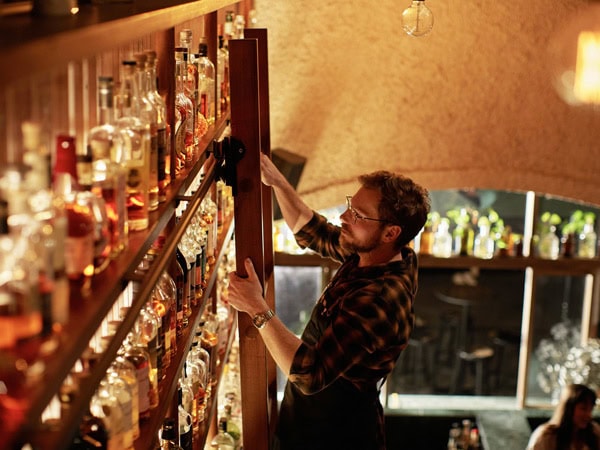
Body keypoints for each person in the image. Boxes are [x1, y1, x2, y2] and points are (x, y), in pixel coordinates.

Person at [227, 153, 430, 450]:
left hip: (338, 434)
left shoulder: (379, 299)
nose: (344, 217)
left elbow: (309, 373)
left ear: (391, 233)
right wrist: (278, 182)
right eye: (350, 205)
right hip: (308, 420)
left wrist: (257, 307)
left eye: (358, 215)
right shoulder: (379, 254)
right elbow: (314, 232)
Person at [527, 384, 600, 450]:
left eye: (590, 409)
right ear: (568, 408)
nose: (589, 415)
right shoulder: (546, 436)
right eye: (583, 408)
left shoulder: (594, 431)